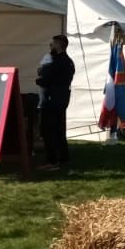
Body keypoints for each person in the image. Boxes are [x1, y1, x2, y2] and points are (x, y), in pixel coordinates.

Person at [35, 34, 75, 173]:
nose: (51, 46)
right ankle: (64, 158)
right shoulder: (69, 62)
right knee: (59, 129)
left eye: (53, 44)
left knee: (48, 130)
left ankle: (52, 161)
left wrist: (39, 77)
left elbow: (44, 80)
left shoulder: (55, 62)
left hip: (52, 99)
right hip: (63, 98)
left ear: (59, 44)